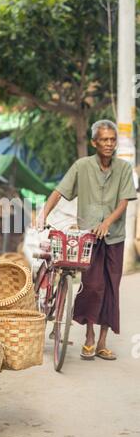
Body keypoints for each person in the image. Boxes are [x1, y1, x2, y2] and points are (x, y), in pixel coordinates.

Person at [38, 120, 137, 361]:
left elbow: (124, 201)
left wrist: (107, 222)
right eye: (104, 139)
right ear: (94, 142)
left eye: (112, 139)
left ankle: (102, 342)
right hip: (88, 238)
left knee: (112, 287)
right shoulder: (82, 166)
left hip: (115, 237)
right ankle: (89, 337)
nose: (109, 144)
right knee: (92, 286)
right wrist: (43, 214)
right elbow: (59, 191)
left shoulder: (124, 168)